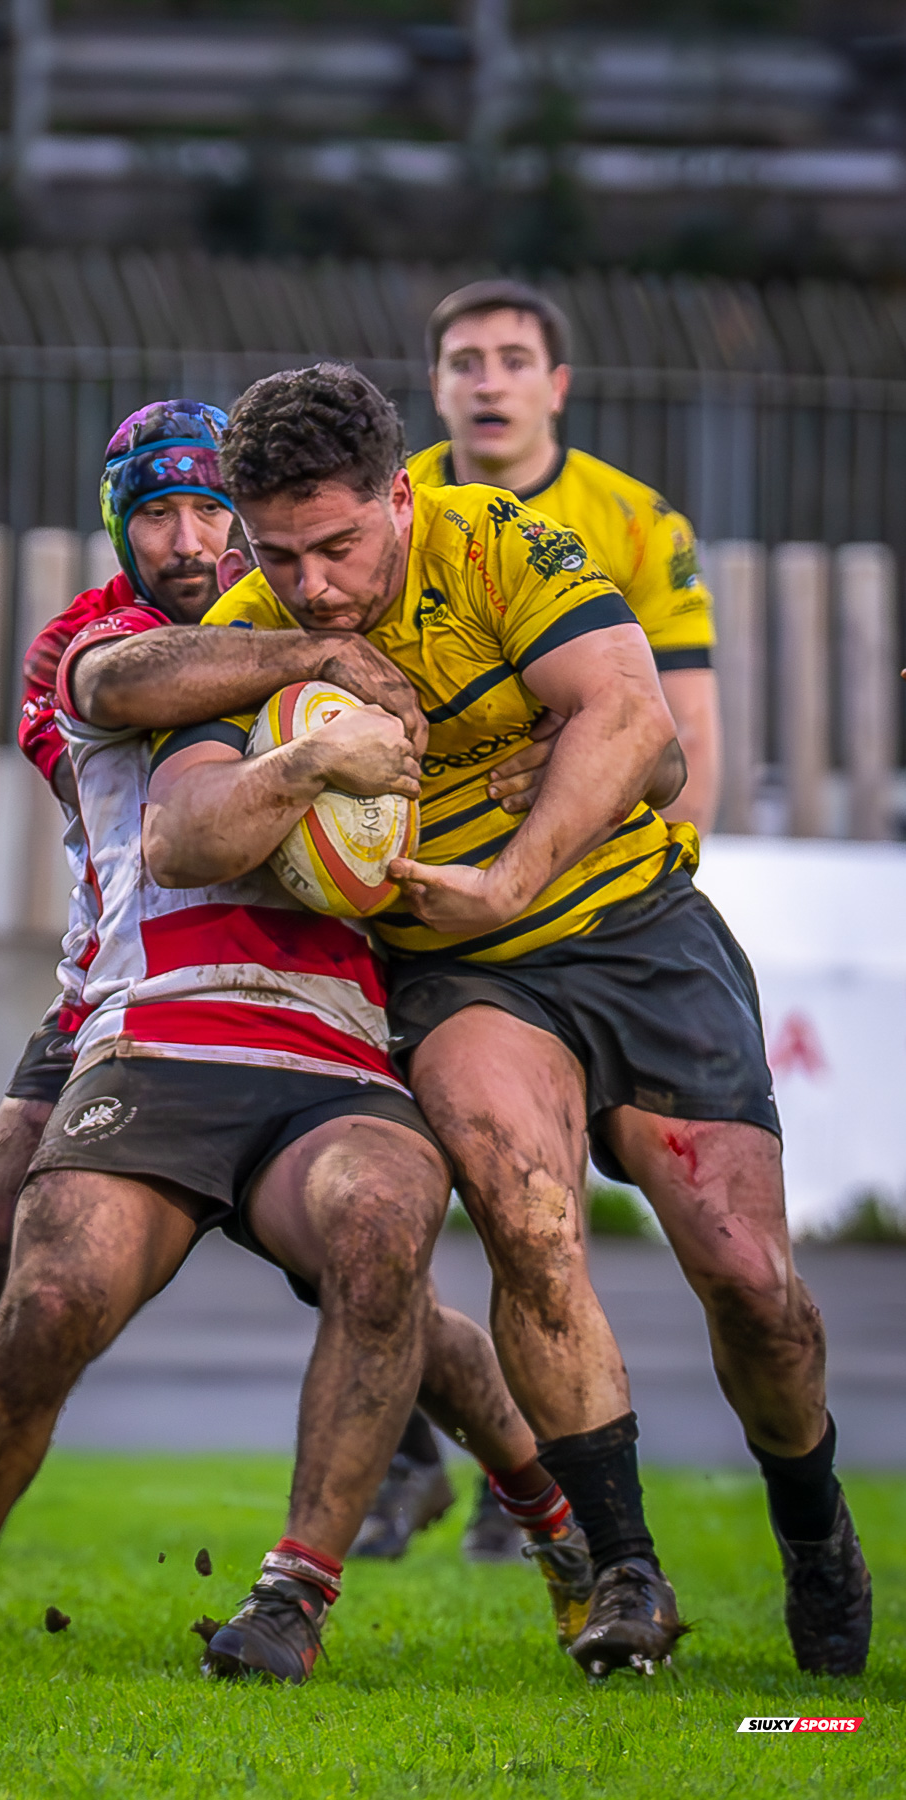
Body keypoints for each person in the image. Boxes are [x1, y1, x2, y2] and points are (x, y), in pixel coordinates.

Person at [124, 361, 870, 1681]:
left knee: (753, 1288)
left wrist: (513, 872)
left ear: (397, 496)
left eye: (338, 545)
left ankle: (811, 1532)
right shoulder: (259, 627)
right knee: (527, 1224)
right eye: (280, 554)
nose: (312, 581)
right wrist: (299, 723)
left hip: (633, 928)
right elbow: (173, 828)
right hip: (465, 981)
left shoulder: (490, 541)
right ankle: (625, 1571)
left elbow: (636, 719)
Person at [0, 403, 591, 1681]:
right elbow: (123, 691)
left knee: (391, 1273)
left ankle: (557, 1537)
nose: (188, 541)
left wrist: (531, 755)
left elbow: (595, 735)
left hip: (323, 1027)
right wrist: (312, 665)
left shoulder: (350, 618)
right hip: (115, 1006)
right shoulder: (112, 638)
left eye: (210, 515)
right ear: (117, 524)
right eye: (156, 513)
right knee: (5, 1262)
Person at [370, 275, 724, 1563]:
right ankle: (417, 1460)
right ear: (438, 385)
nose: (486, 379)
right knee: (402, 1202)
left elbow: (677, 734)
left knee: (563, 1228)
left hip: (610, 916)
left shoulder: (634, 521)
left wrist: (637, 878)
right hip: (427, 924)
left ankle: (523, 1498)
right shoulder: (380, 511)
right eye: (463, 359)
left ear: (554, 385)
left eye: (512, 357)